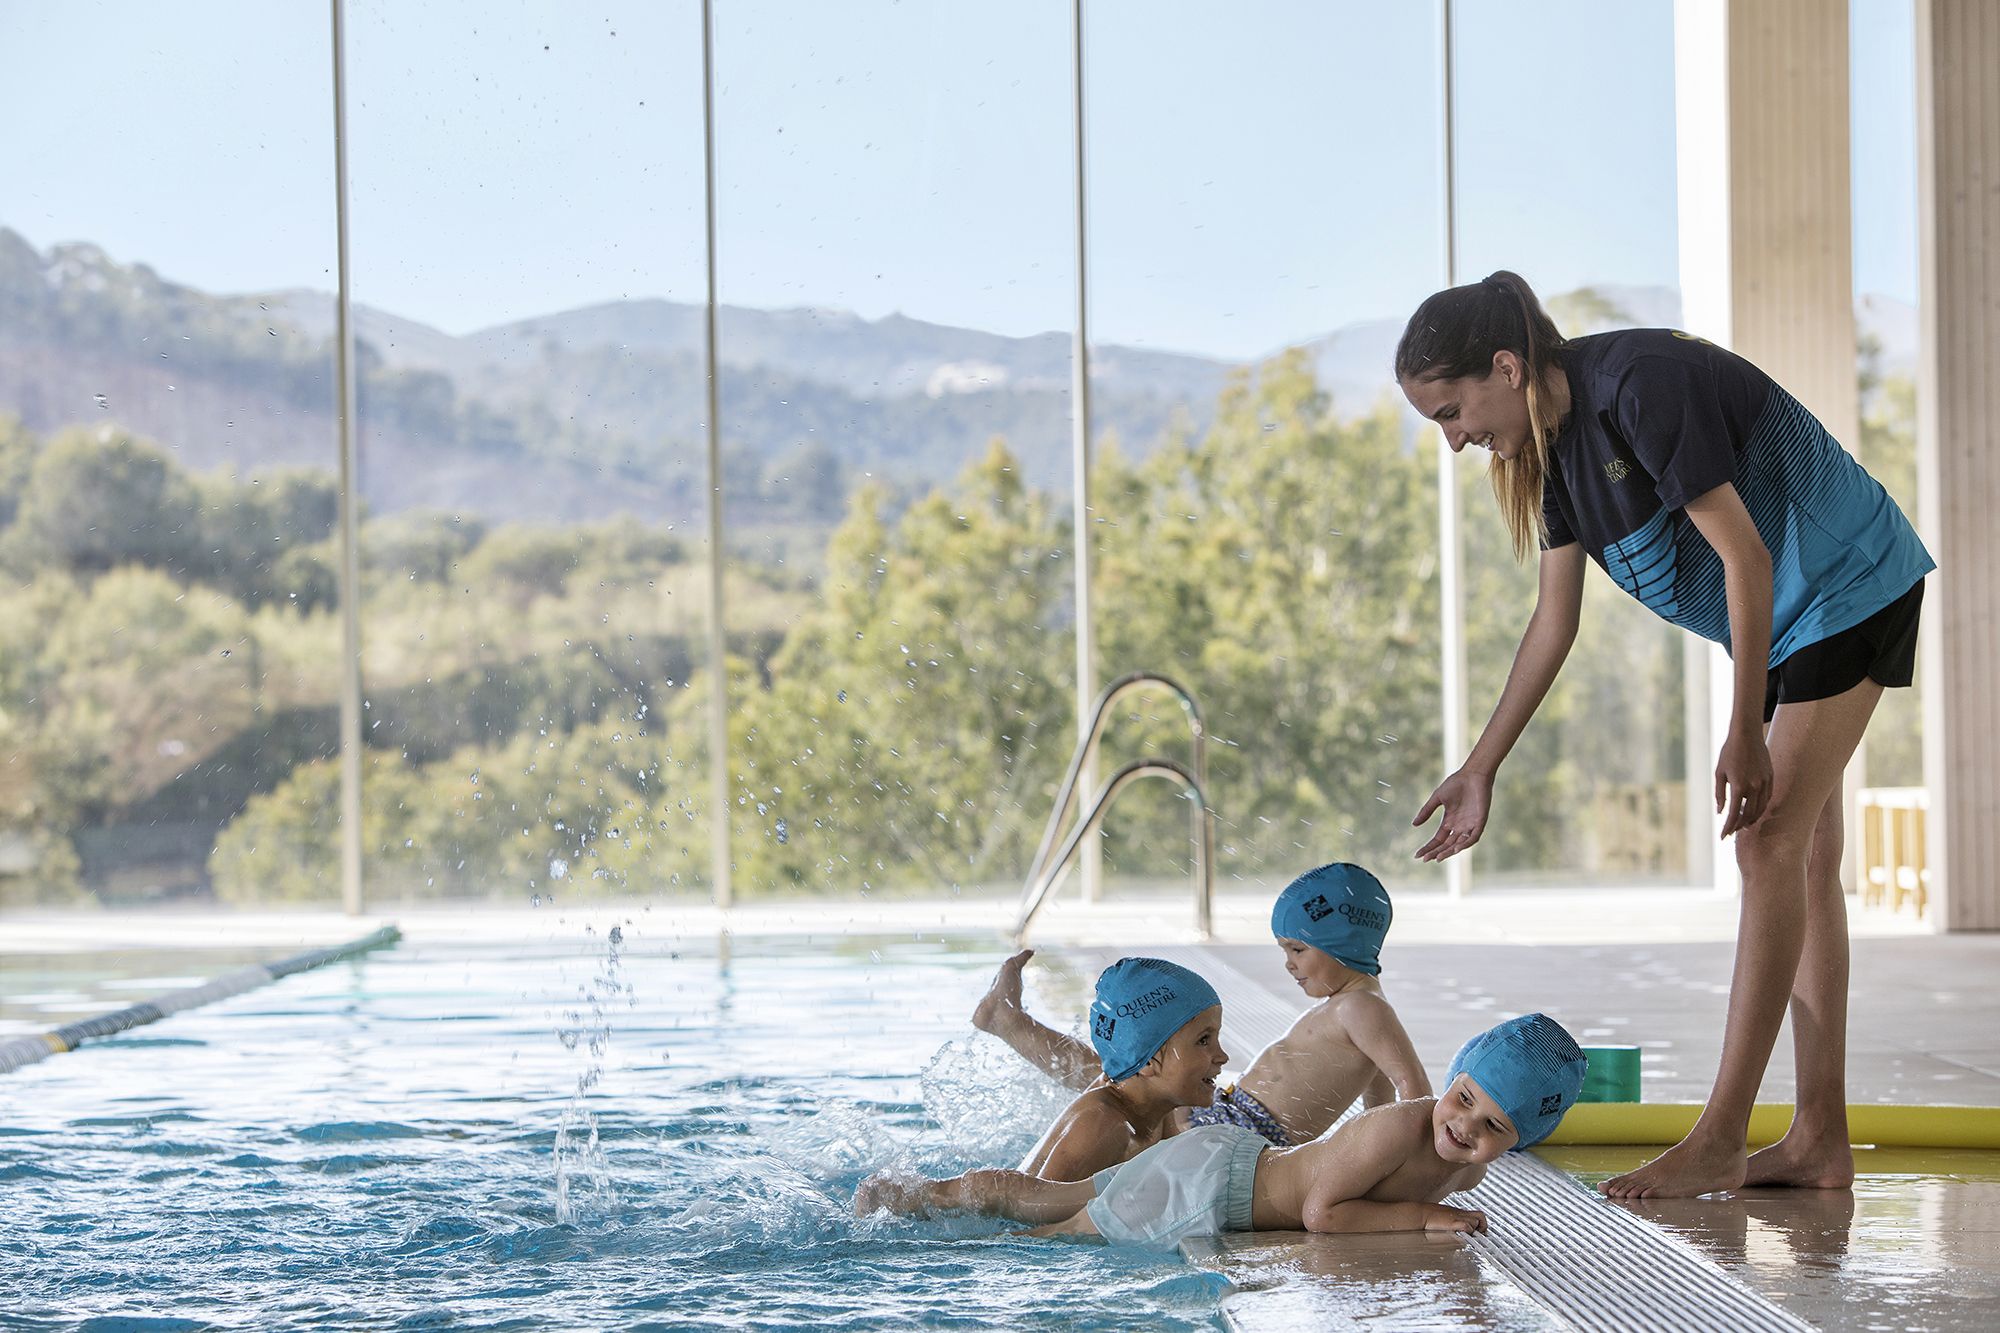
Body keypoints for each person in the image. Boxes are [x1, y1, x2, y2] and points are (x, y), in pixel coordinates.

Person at [1394, 271, 1934, 1199]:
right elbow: (1552, 622)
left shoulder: (1639, 384)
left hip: (1845, 581)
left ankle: (1723, 1136)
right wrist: (1481, 767)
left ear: (1508, 367)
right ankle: (1819, 1137)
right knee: (1799, 860)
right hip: (1787, 615)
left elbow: (1745, 554)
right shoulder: (1553, 455)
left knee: (1768, 843)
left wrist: (1743, 726)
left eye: (1452, 411)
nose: (1454, 439)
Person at [856, 1013, 1587, 1251]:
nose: (1464, 1126)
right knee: (1044, 1237)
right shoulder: (1400, 1127)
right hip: (1213, 1181)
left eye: (1494, 1126)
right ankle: (925, 1209)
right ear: (1453, 1076)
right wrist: (1424, 1218)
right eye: (1463, 1097)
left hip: (1214, 1162)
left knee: (1044, 1202)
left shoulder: (1468, 1163)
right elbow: (1321, 1214)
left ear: (1522, 1139)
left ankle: (915, 1194)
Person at [975, 862, 1429, 1148]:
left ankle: (1010, 1023)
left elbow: (1410, 1086)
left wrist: (1404, 1157)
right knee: (1123, 1077)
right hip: (1229, 1116)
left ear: (1339, 942)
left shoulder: (1363, 1009)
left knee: (1121, 1080)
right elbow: (1381, 1096)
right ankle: (1009, 1022)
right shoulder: (1355, 1005)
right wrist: (1378, 1143)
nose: (1288, 964)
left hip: (1242, 1135)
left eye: (1297, 950)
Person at [1008, 957, 1229, 1182]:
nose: (1223, 1056)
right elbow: (1036, 1210)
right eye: (1203, 1040)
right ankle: (1006, 1019)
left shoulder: (1159, 1108)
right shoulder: (1103, 1126)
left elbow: (1182, 1176)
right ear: (1148, 1061)